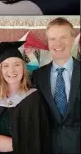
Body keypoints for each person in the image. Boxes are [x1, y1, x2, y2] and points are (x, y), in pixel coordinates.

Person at [0, 41, 51, 154]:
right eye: (6, 65)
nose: (12, 70)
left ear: (23, 68)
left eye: (17, 64)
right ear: (0, 70)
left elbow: (41, 136)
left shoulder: (34, 99)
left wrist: (14, 144)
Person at [32, 17, 80, 154]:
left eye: (63, 37)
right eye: (52, 39)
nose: (57, 43)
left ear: (72, 39)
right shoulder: (37, 76)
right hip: (48, 146)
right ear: (47, 42)